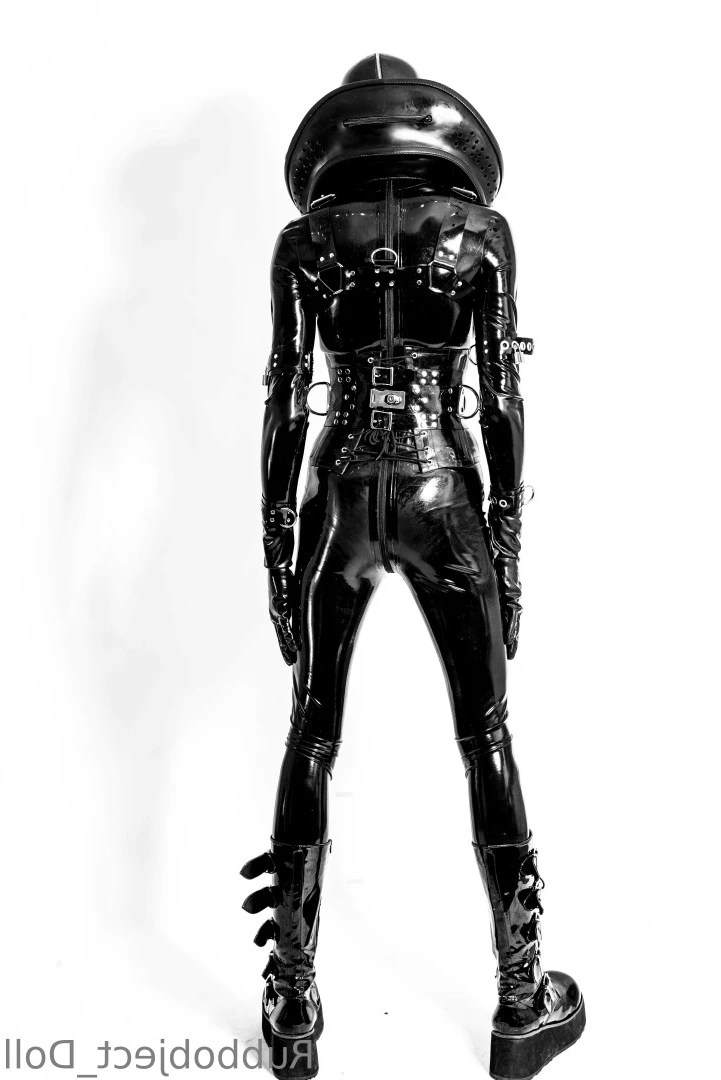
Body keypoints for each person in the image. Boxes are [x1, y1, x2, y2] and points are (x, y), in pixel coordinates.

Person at [241, 54, 585, 1080]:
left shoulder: (306, 242)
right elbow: (502, 396)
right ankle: (521, 998)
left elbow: (283, 395)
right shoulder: (479, 233)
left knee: (311, 731)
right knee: (485, 734)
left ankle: (291, 1002)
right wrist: (506, 547)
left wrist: (276, 547)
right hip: (442, 492)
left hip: (339, 491)